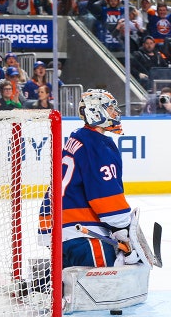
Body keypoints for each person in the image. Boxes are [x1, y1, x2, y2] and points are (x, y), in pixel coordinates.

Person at [41, 89, 138, 269]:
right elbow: (106, 198)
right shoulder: (98, 146)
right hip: (83, 234)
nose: (115, 113)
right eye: (109, 109)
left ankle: (41, 284)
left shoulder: (79, 138)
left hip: (59, 231)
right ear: (96, 112)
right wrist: (123, 228)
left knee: (66, 288)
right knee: (106, 287)